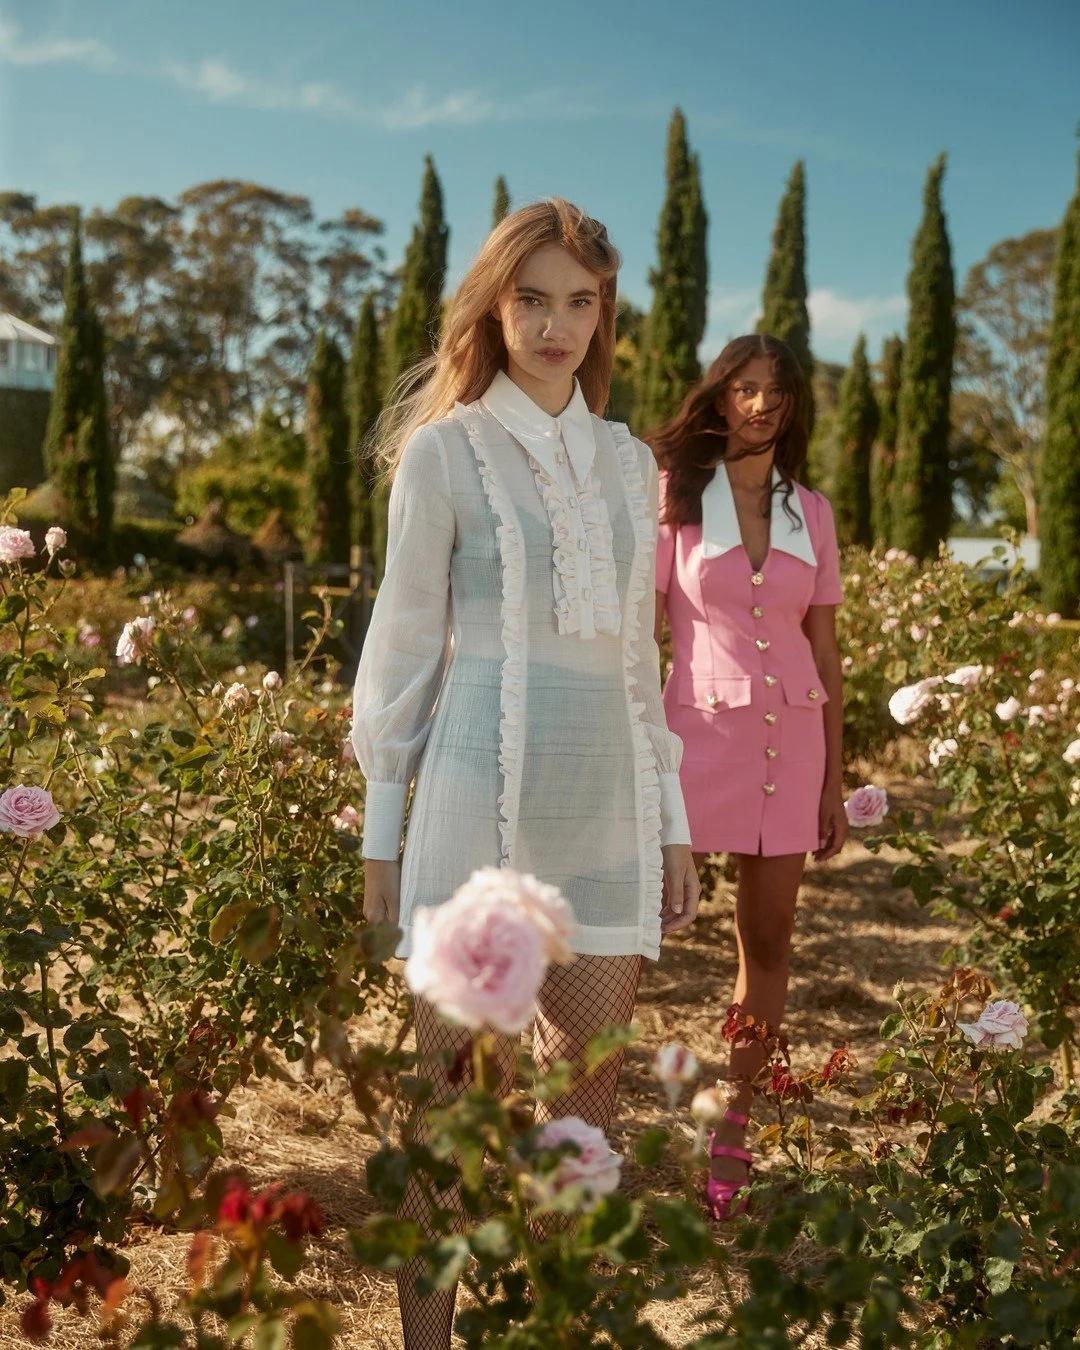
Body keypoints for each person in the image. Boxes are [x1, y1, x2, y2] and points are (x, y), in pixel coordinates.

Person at [352, 198, 700, 1348]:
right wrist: (380, 832)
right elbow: (400, 651)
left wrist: (674, 823)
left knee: (582, 1120)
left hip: (604, 813)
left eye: (579, 301)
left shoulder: (625, 460)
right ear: (495, 309)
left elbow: (638, 665)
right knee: (453, 1116)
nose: (556, 324)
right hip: (467, 810)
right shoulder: (446, 453)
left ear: (604, 316)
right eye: (533, 298)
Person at [649, 333, 846, 1220]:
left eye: (776, 391)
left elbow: (825, 653)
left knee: (766, 944)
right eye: (744, 387)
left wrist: (834, 778)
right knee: (632, 932)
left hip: (792, 749)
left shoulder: (816, 513)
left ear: (792, 406)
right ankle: (581, 1106)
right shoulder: (676, 500)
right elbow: (637, 633)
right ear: (719, 398)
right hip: (694, 745)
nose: (761, 404)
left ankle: (734, 1128)